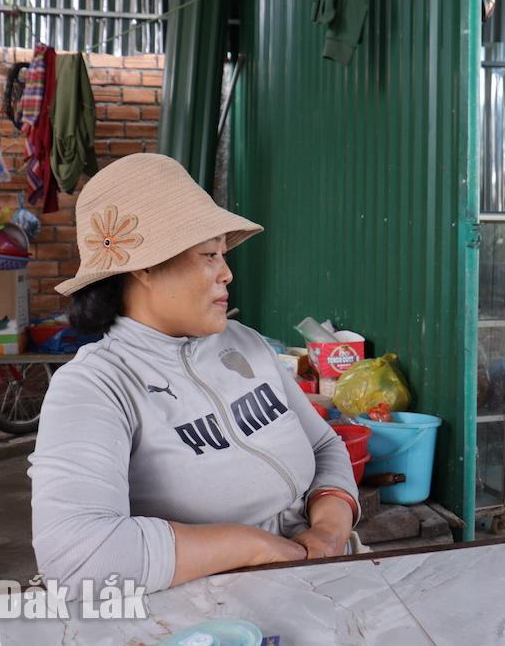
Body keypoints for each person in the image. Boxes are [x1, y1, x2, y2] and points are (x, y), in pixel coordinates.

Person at [29, 154, 360, 601]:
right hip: (210, 601)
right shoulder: (95, 387)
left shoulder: (244, 342)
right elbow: (78, 560)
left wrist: (328, 531)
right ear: (144, 267)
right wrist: (259, 547)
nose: (227, 272)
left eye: (223, 254)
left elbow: (324, 445)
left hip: (319, 568)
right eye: (209, 255)